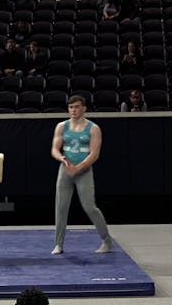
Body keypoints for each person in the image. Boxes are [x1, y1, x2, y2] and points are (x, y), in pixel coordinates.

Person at [50, 95, 113, 255]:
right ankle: (58, 244)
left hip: (83, 171)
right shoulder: (61, 127)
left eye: (77, 107)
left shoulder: (93, 128)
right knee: (61, 208)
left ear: (84, 108)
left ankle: (106, 240)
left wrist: (79, 168)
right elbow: (55, 149)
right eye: (71, 107)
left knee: (89, 207)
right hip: (65, 170)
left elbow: (94, 154)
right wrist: (62, 158)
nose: (73, 110)